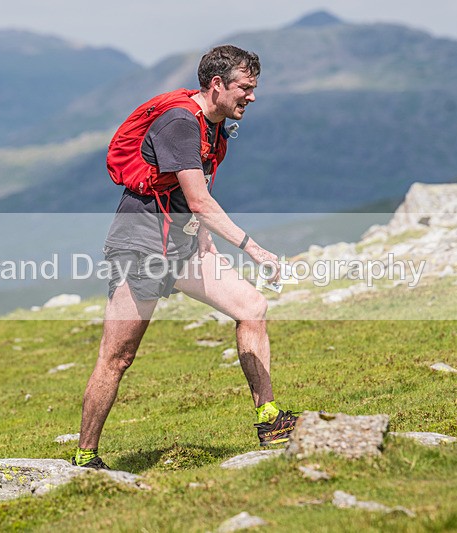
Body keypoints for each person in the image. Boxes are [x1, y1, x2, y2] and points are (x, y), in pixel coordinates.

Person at [73, 45, 297, 470]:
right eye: (245, 89)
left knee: (252, 306)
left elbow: (196, 190)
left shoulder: (214, 125)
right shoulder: (179, 122)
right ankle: (86, 456)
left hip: (182, 247)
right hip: (138, 248)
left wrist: (205, 242)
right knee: (118, 356)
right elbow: (199, 201)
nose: (251, 97)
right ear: (217, 85)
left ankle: (271, 422)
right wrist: (253, 248)